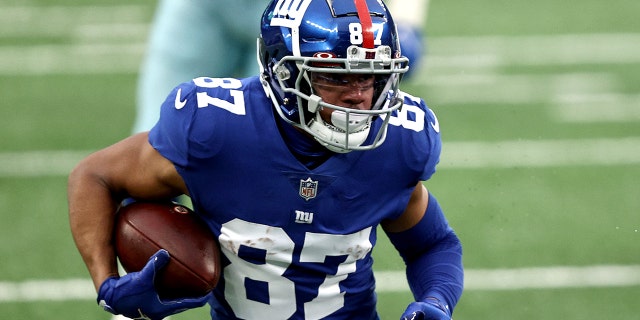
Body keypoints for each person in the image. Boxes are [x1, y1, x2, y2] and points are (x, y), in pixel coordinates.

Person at [68, 0, 463, 319]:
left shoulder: (398, 142)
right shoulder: (215, 128)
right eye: (335, 77)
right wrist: (108, 285)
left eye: (370, 76)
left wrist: (436, 301)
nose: (358, 96)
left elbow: (432, 244)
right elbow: (96, 176)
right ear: (285, 76)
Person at [132, 0, 429, 134]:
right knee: (154, 138)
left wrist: (406, 16)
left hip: (309, 18)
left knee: (281, 140)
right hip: (207, 7)